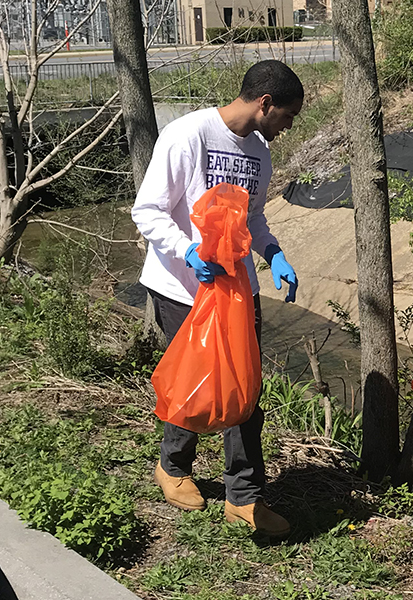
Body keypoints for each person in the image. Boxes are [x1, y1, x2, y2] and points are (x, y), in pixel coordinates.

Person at [131, 60, 303, 538]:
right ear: (265, 103)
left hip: (237, 290)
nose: (287, 128)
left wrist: (274, 254)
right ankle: (172, 465)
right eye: (287, 116)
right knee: (197, 383)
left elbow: (255, 221)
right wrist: (187, 250)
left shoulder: (261, 155)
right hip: (182, 287)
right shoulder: (189, 134)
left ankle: (244, 498)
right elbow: (147, 210)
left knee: (244, 389)